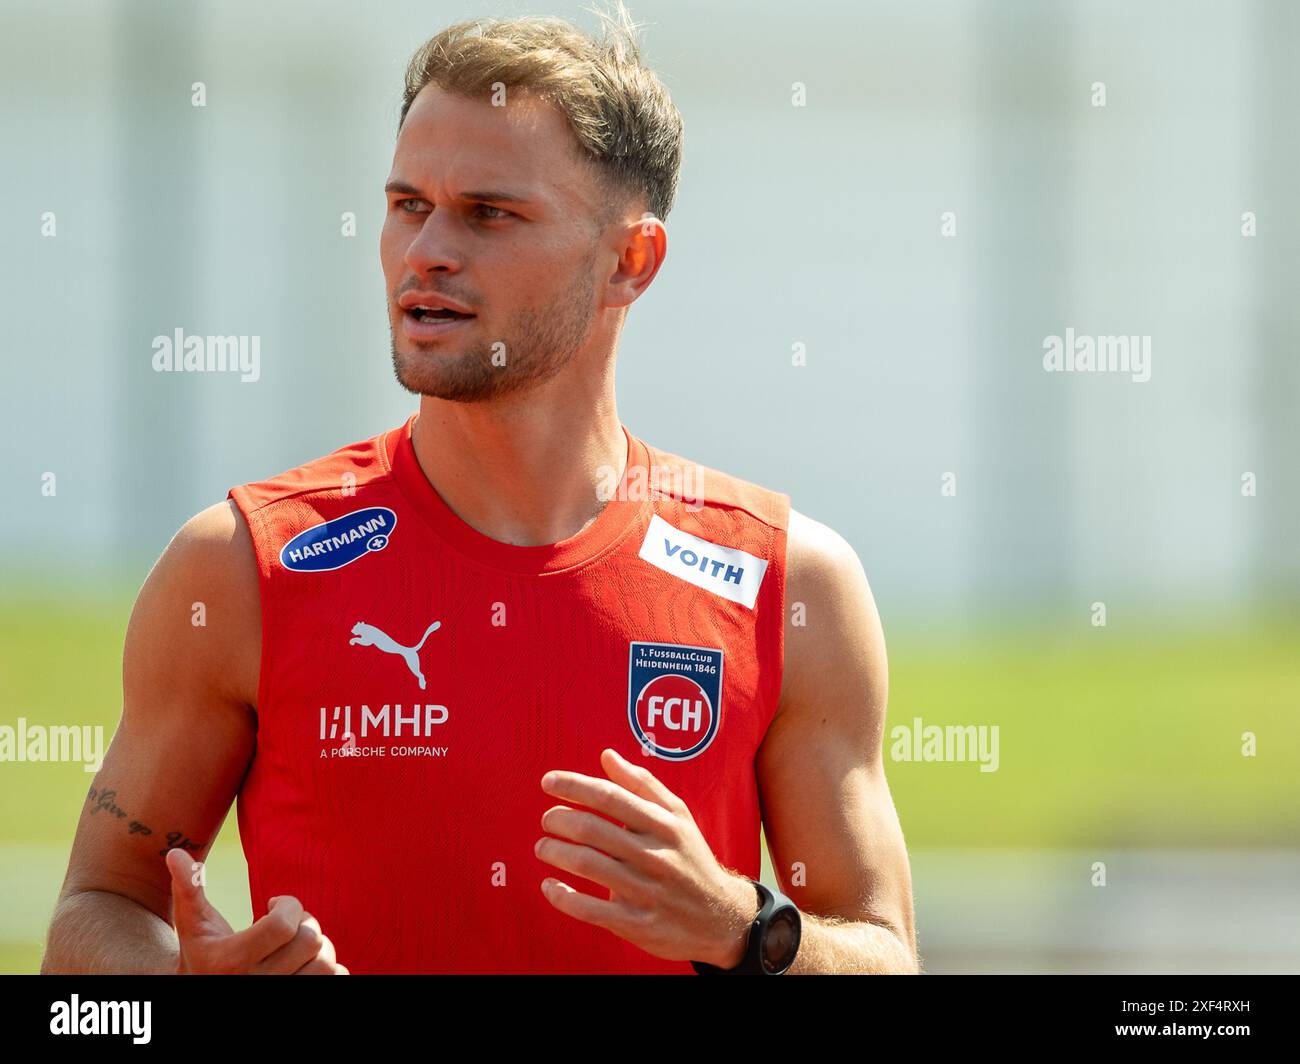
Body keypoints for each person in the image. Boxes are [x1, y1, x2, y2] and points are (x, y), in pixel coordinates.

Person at [42, 4, 916, 975]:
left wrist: (739, 926)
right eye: (408, 203)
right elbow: (94, 911)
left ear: (629, 261)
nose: (426, 251)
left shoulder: (789, 584)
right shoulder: (241, 566)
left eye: (489, 213)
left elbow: (885, 955)